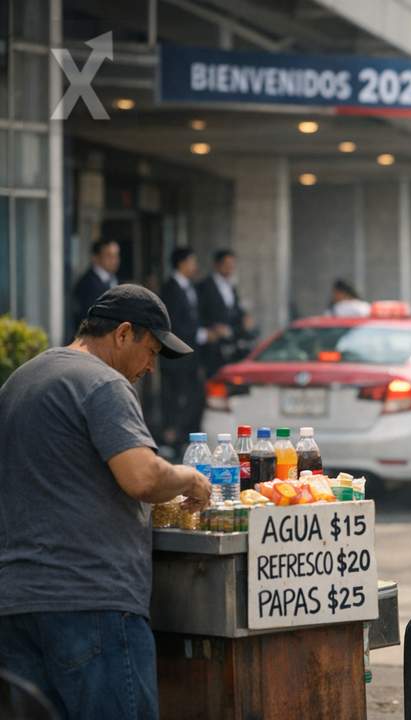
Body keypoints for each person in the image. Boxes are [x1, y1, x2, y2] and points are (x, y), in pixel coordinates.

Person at [0, 284, 212, 719]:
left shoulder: (21, 380)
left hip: (15, 608)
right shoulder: (102, 383)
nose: (151, 367)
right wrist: (189, 477)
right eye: (151, 351)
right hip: (90, 603)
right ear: (123, 334)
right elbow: (141, 476)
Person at [159, 248, 217, 450]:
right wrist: (201, 335)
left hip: (190, 356)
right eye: (192, 262)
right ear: (181, 264)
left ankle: (184, 437)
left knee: (192, 396)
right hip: (176, 356)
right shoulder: (171, 289)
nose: (195, 267)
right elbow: (174, 325)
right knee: (176, 398)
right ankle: (171, 439)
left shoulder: (190, 287)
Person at [198, 248, 255, 378]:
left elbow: (235, 309)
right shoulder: (204, 286)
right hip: (212, 345)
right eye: (227, 264)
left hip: (231, 342)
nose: (230, 268)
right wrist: (211, 328)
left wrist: (245, 317)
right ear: (217, 265)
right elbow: (199, 313)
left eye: (232, 265)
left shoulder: (231, 286)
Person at [71, 239, 120, 337]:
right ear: (96, 258)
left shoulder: (112, 278)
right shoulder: (88, 283)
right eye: (109, 256)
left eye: (116, 255)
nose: (114, 260)